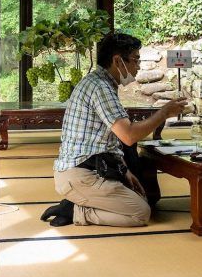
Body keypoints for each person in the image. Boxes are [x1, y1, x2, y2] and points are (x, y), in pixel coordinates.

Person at [42, 32, 187, 227]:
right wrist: (163, 113)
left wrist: (124, 171)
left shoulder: (100, 83)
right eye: (135, 60)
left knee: (142, 198)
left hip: (90, 168)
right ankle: (76, 210)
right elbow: (128, 136)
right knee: (140, 213)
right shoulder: (100, 87)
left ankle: (79, 202)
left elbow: (107, 142)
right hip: (81, 174)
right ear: (118, 61)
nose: (138, 67)